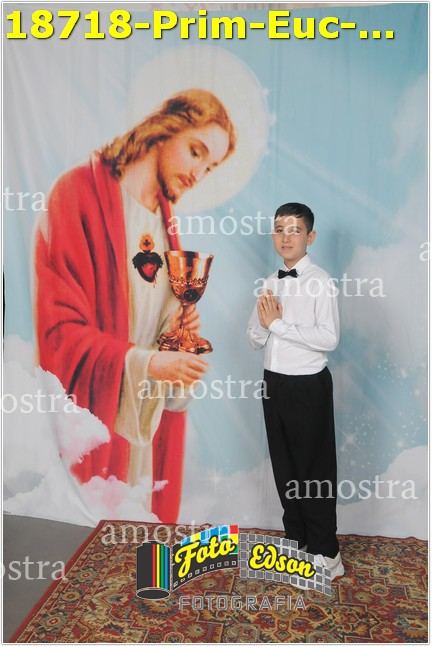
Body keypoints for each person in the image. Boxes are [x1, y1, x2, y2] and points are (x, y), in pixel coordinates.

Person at [34, 89, 236, 522]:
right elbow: (60, 332)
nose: (199, 173)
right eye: (196, 152)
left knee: (139, 533)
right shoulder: (77, 193)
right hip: (100, 424)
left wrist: (177, 331)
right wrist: (148, 364)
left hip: (141, 427)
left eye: (210, 167)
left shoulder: (166, 224)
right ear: (165, 130)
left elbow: (149, 320)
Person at [246, 202, 344, 580]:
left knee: (314, 469)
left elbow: (329, 338)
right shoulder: (269, 282)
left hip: (308, 385)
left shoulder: (321, 281)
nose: (286, 237)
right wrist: (263, 324)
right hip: (274, 383)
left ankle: (327, 554)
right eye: (280, 230)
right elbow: (254, 338)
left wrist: (279, 325)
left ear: (310, 237)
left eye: (295, 230)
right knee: (285, 466)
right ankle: (299, 541)